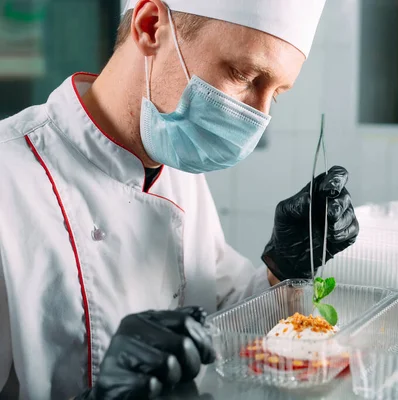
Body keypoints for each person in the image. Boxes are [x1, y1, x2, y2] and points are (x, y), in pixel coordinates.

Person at [0, 0, 360, 399]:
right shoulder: (10, 180)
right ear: (151, 27)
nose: (258, 118)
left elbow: (220, 322)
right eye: (245, 75)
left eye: (274, 95)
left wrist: (282, 268)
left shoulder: (176, 167)